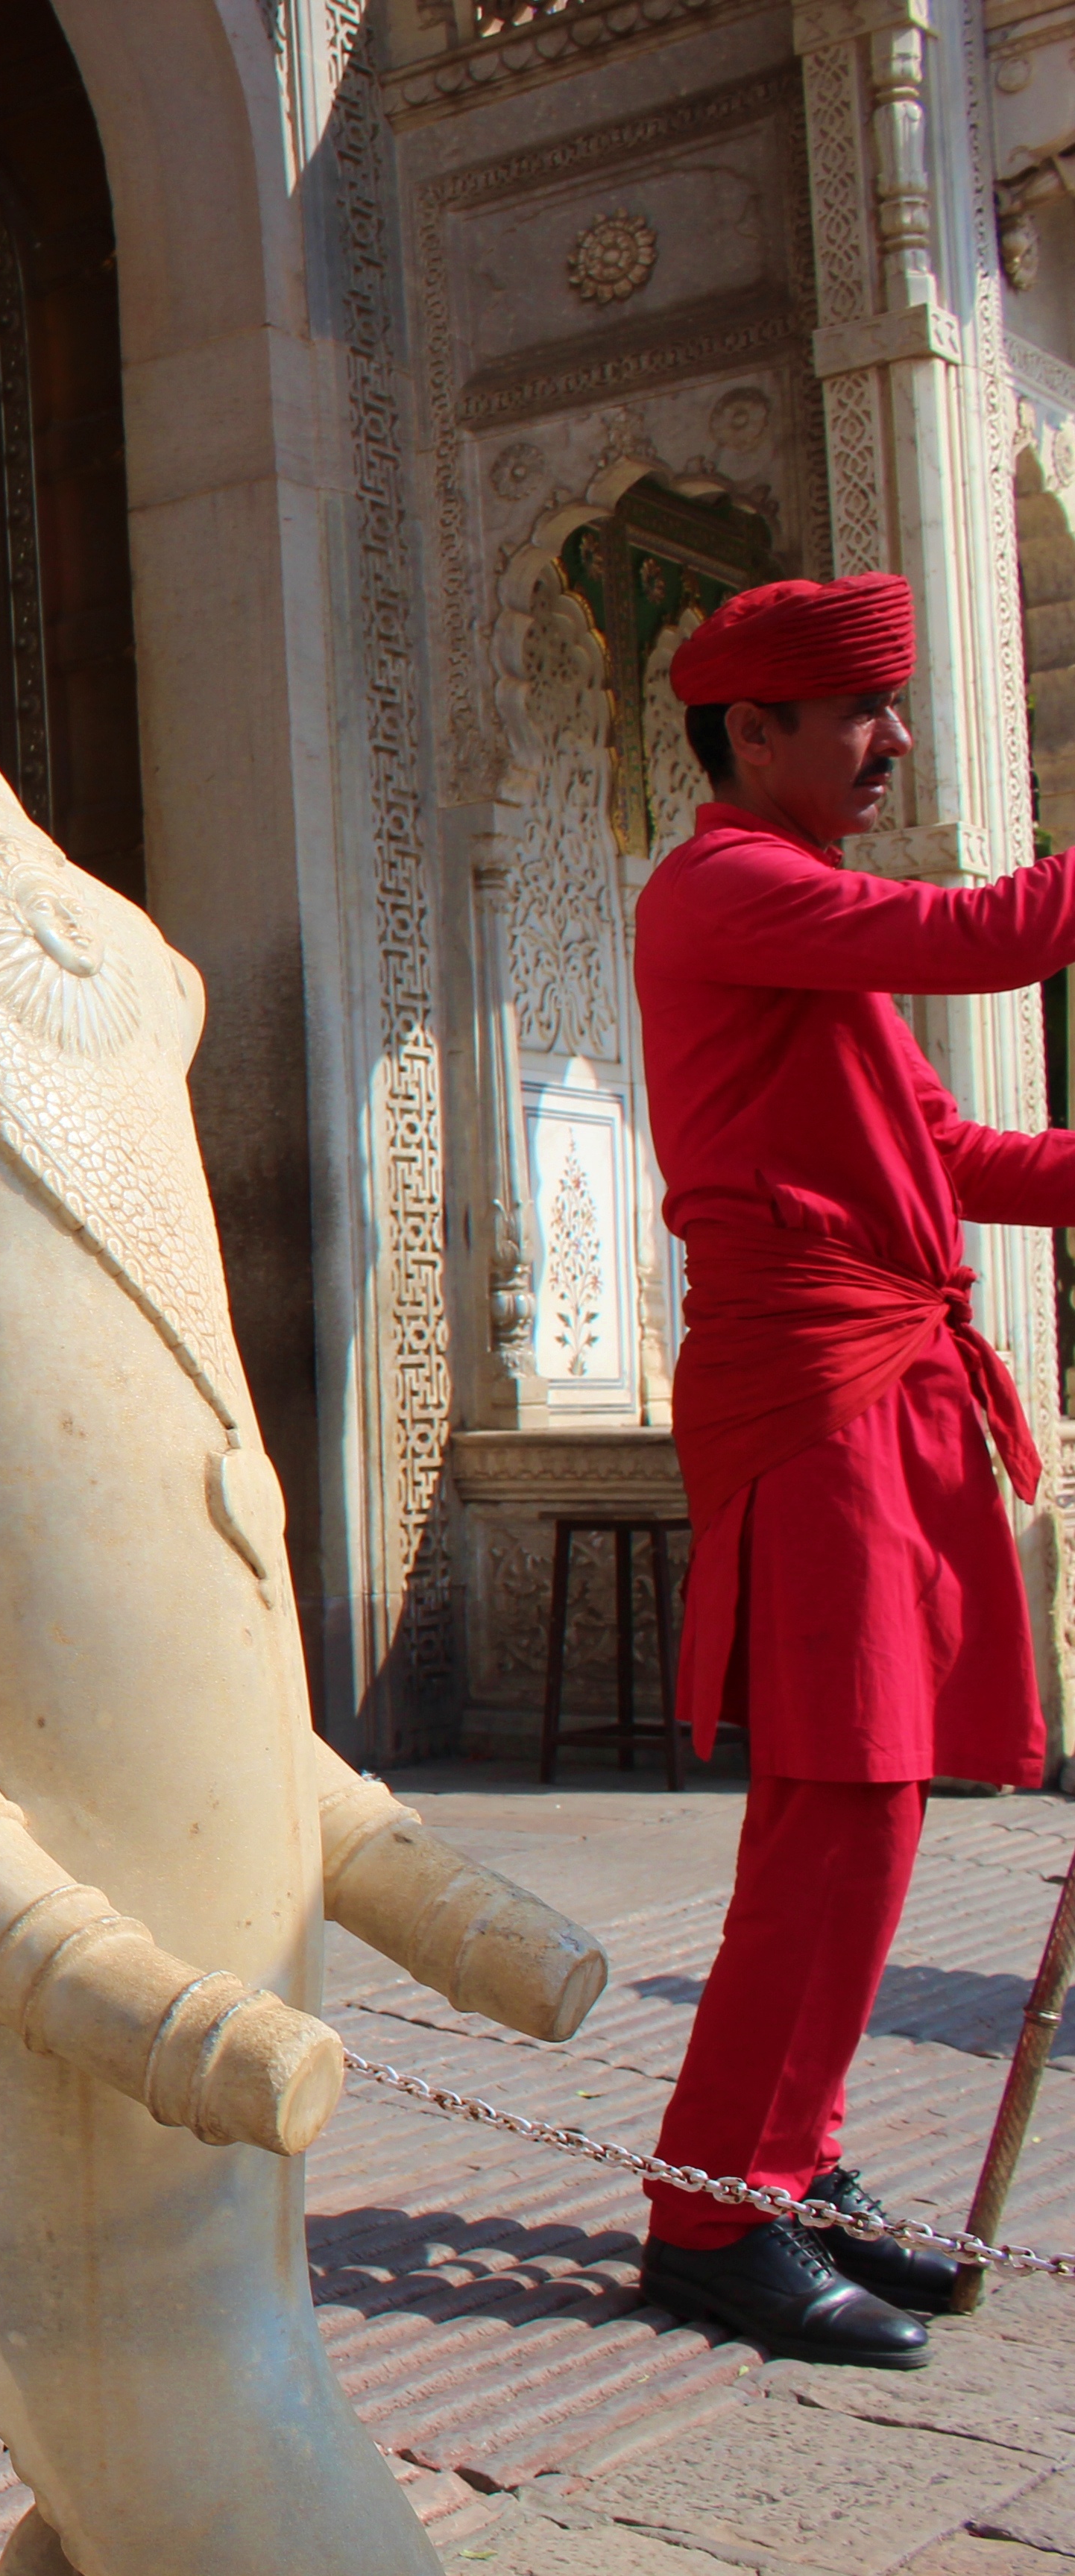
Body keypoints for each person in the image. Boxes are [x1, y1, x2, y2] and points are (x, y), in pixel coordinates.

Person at [629, 569, 1075, 2369]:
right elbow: (999, 938)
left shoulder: (800, 922)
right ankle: (707, 2215)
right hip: (811, 1389)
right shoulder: (727, 882)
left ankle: (783, 2168)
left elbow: (942, 1142)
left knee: (875, 1799)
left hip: (876, 1385)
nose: (892, 741)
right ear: (754, 732)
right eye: (861, 712)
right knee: (831, 1800)